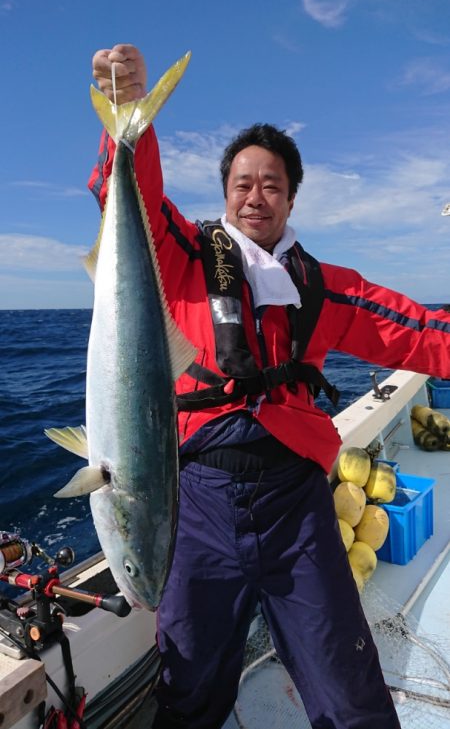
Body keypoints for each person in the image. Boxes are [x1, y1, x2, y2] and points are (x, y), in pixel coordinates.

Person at [89, 44, 450, 729]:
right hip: (198, 504)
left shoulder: (322, 284)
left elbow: (417, 330)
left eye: (272, 185)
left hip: (297, 509)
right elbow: (125, 197)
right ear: (226, 191)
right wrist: (129, 113)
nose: (256, 196)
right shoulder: (184, 255)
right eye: (243, 183)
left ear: (290, 196)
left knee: (352, 697)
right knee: (189, 690)